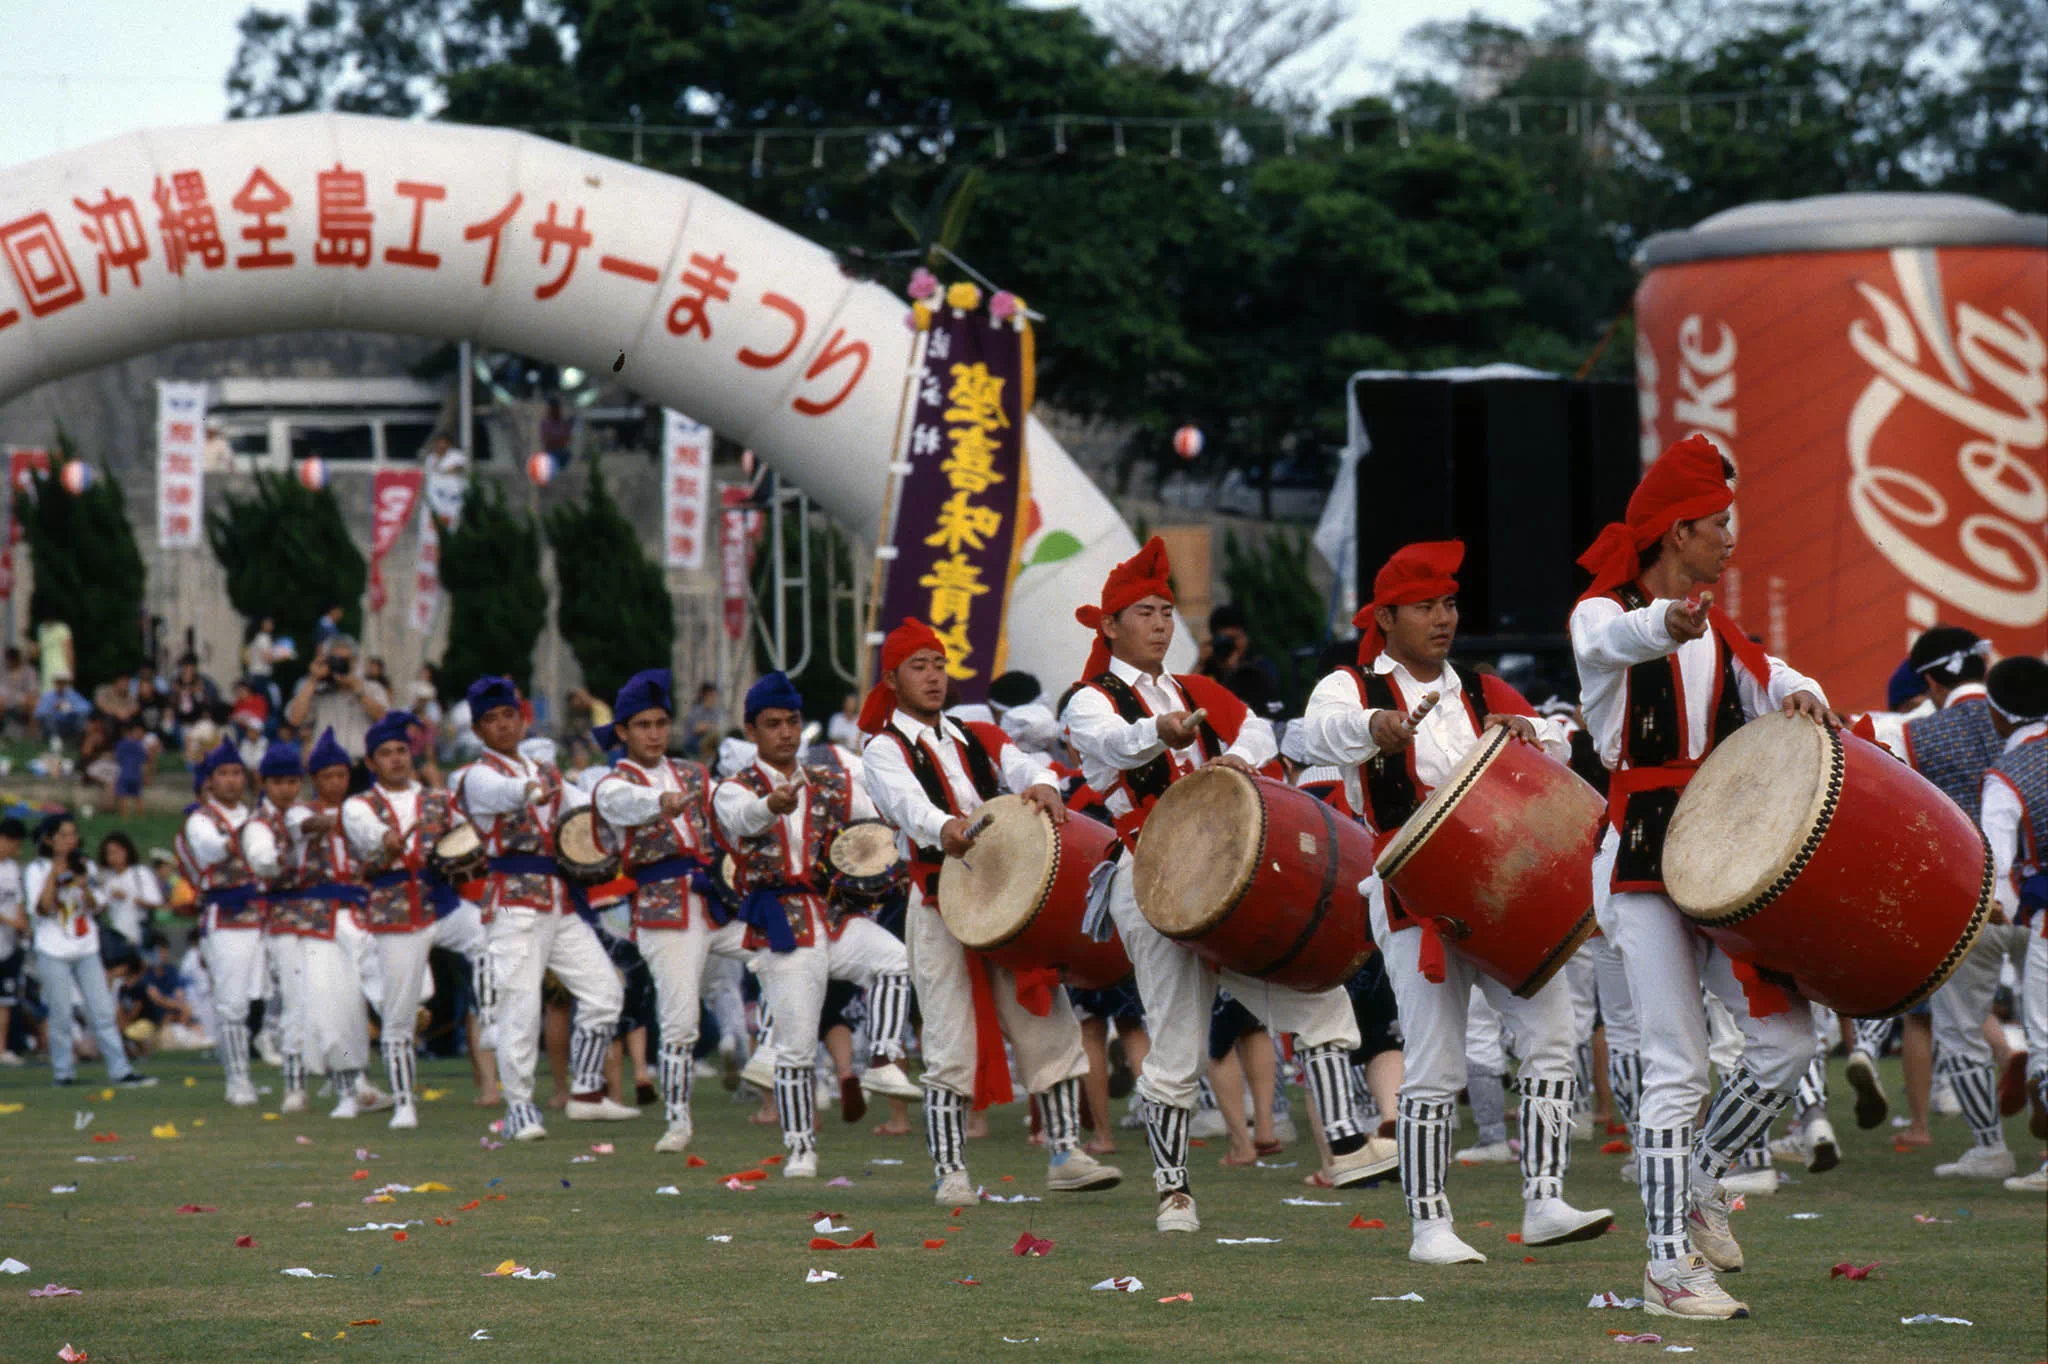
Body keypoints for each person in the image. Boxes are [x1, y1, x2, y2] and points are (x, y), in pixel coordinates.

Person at [1569, 432, 1837, 1321]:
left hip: (1722, 859)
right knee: (1676, 1064)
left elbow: (1774, 678)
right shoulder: (1601, 614)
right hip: (1642, 862)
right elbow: (1619, 640)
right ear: (1678, 532)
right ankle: (1665, 1269)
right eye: (1719, 524)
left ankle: (1704, 1177)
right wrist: (1666, 623)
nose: (1731, 537)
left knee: (1792, 1040)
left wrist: (1805, 696)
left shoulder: (1721, 628)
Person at [1061, 537, 1396, 1235]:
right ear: (1111, 627)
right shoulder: (1088, 702)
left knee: (1319, 994)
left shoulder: (1197, 689)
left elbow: (1261, 736)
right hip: (1148, 874)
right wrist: (1162, 729)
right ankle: (1173, 1190)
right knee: (1176, 1042)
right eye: (1145, 612)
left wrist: (1232, 765)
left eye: (1165, 611)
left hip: (1227, 875)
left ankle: (1342, 1142)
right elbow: (1117, 747)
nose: (1160, 623)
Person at [1304, 540, 1614, 1264]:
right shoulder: (1351, 687)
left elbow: (1561, 739)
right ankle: (1428, 1225)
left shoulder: (1479, 689)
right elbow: (1312, 734)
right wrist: (1370, 729)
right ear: (1386, 618)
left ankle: (1544, 1199)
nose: (1442, 618)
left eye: (1448, 604)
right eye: (1425, 607)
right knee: (1436, 1061)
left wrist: (1533, 732)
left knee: (1550, 1038)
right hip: (1415, 896)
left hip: (1508, 891)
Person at [860, 619, 1121, 1201]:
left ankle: (1065, 1153)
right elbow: (905, 803)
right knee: (949, 1031)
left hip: (1008, 898)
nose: (932, 676)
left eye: (938, 663)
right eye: (918, 666)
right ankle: (950, 1171)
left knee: (1043, 1015)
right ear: (894, 680)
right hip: (937, 900)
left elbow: (1025, 764)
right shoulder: (883, 746)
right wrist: (942, 825)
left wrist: (1046, 784)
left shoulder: (976, 734)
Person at [713, 671, 917, 1178]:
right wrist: (771, 804)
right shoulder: (734, 789)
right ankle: (800, 1147)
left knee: (896, 960)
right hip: (783, 922)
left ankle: (885, 1057)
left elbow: (878, 821)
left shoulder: (832, 780)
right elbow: (743, 819)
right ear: (752, 730)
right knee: (797, 1046)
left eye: (792, 722)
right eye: (773, 724)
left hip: (833, 914)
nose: (785, 732)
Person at [452, 677, 635, 1140]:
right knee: (520, 1006)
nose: (502, 726)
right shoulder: (479, 775)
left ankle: (588, 1092)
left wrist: (625, 814)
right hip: (513, 902)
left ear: (520, 718)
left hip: (559, 899)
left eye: (508, 716)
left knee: (604, 993)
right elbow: (502, 794)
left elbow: (584, 813)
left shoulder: (544, 771)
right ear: (479, 730)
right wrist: (530, 790)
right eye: (491, 720)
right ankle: (518, 1107)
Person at [589, 669, 738, 1154]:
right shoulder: (614, 783)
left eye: (660, 723)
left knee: (788, 956)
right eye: (643, 725)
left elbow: (727, 811)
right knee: (680, 1018)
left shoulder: (694, 772)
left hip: (714, 896)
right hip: (663, 907)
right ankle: (677, 1121)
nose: (654, 733)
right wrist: (663, 801)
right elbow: (628, 805)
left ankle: (764, 1057)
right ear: (623, 733)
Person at [347, 710, 493, 1129]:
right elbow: (366, 833)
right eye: (386, 754)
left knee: (492, 935)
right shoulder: (359, 806)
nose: (396, 759)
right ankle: (405, 1103)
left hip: (440, 901)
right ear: (372, 762)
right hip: (396, 911)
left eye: (401, 751)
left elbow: (470, 837)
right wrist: (384, 840)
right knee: (399, 1010)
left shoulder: (437, 799)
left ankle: (493, 1018)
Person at [1978, 657, 2048, 1193]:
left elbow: (1995, 869)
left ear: (1999, 715)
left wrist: (1994, 912)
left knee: (2046, 1040)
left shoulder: (2007, 776)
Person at [289, 728, 382, 1118]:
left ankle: (360, 1082)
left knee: (359, 1006)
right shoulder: (301, 812)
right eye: (327, 776)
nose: (336, 783)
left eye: (342, 775)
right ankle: (347, 1087)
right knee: (329, 1009)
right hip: (319, 920)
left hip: (361, 915)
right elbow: (307, 827)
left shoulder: (363, 812)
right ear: (315, 779)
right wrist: (342, 821)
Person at [28, 814, 155, 1088]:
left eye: (73, 835)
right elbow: (42, 908)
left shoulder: (85, 866)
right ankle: (63, 1072)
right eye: (63, 835)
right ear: (50, 839)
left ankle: (120, 1070)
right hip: (53, 949)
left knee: (102, 1010)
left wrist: (82, 884)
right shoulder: (36, 869)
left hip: (86, 947)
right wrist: (56, 871)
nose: (70, 840)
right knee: (61, 1014)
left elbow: (97, 906)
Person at [178, 737, 268, 1105]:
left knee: (268, 998)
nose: (232, 780)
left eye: (237, 773)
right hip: (227, 915)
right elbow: (211, 849)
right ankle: (238, 1080)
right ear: (210, 781)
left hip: (264, 915)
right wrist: (245, 839)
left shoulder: (254, 815)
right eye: (223, 774)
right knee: (232, 1004)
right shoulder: (201, 820)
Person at [286, 635, 389, 758]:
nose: (341, 665)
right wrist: (313, 679)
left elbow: (384, 719)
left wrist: (358, 690)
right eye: (336, 660)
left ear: (355, 661)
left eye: (346, 660)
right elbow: (295, 719)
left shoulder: (372, 688)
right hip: (326, 763)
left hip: (361, 763)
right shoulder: (317, 691)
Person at [93, 832, 161, 954]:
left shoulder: (140, 872)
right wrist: (110, 895)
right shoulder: (106, 878)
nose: (114, 857)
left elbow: (155, 901)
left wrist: (133, 898)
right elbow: (97, 906)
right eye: (110, 853)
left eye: (118, 852)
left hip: (139, 933)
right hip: (116, 935)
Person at [0, 818, 26, 1065]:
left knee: (5, 999)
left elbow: (18, 902)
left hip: (7, 946)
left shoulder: (12, 869)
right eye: (14, 844)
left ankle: (2, 1049)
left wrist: (21, 925)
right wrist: (9, 921)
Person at [111, 719, 151, 819]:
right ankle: (141, 816)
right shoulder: (138, 745)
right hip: (136, 774)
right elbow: (145, 759)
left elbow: (116, 758)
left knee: (123, 796)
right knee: (138, 796)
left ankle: (125, 816)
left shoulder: (121, 744)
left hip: (124, 773)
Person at [35, 674, 91, 744]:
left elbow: (87, 707)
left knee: (82, 716)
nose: (61, 685)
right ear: (55, 683)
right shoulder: (48, 696)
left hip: (69, 722)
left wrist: (72, 708)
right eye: (59, 682)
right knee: (48, 718)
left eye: (63, 682)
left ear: (66, 684)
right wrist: (53, 708)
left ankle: (78, 741)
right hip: (54, 723)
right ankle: (54, 741)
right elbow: (39, 713)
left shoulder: (72, 695)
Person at [0, 646, 38, 735]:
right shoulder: (4, 671)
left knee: (34, 704)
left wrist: (27, 698)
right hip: (6, 699)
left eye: (12, 659)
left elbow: (33, 689)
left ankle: (31, 734)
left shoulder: (29, 671)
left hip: (23, 698)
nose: (10, 662)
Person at [35, 616, 74, 695]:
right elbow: (38, 651)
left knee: (62, 700)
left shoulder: (62, 628)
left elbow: (69, 651)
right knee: (47, 698)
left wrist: (70, 672)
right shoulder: (41, 628)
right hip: (46, 672)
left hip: (61, 670)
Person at [683, 684, 722, 758]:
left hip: (706, 741)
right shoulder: (696, 709)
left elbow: (713, 727)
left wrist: (708, 726)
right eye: (712, 696)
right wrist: (709, 727)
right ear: (705, 696)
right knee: (714, 737)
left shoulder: (714, 712)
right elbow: (697, 729)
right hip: (693, 742)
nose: (714, 699)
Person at [245, 617, 277, 682]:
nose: (271, 626)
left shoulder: (256, 638)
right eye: (268, 623)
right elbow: (266, 658)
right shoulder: (264, 638)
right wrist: (284, 656)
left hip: (253, 672)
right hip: (260, 674)